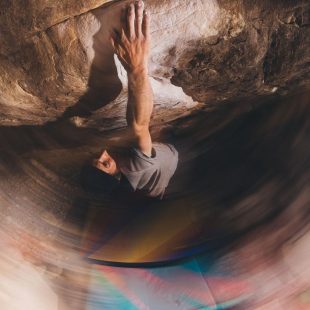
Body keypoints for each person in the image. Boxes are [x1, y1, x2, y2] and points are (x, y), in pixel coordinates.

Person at [82, 0, 178, 199]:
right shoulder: (136, 167)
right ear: (117, 175)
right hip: (172, 157)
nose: (102, 153)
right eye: (105, 163)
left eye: (95, 158)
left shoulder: (131, 177)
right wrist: (137, 66)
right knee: (144, 132)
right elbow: (139, 126)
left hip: (159, 178)